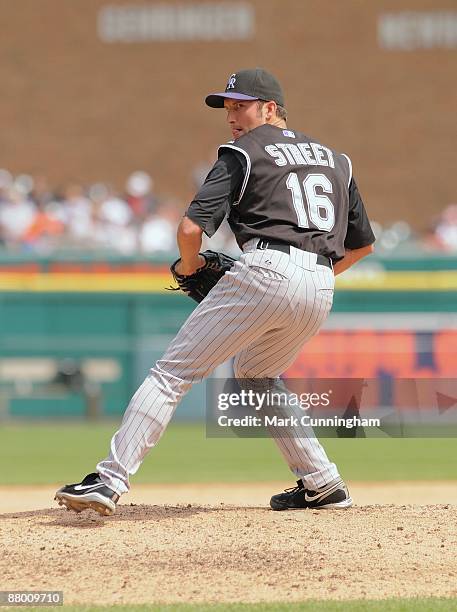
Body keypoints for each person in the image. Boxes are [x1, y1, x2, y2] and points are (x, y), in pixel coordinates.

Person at [55, 68, 375, 516]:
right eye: (227, 107)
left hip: (268, 268)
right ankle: (323, 484)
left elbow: (190, 229)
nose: (231, 116)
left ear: (269, 109)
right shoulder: (336, 159)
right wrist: (308, 278)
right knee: (257, 375)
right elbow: (363, 244)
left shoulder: (244, 150)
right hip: (322, 281)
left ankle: (107, 481)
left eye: (240, 105)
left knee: (171, 373)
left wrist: (190, 267)